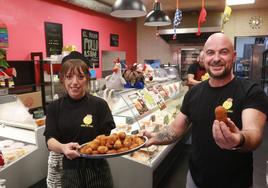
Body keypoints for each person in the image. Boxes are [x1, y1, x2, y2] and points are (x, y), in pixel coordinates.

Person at [142, 33, 268, 188]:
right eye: (210, 52)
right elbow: (175, 128)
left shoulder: (251, 92)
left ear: (234, 56)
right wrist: (155, 137)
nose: (216, 58)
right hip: (195, 180)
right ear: (204, 58)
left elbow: (253, 133)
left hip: (235, 182)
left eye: (223, 52)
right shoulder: (193, 92)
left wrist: (238, 139)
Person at [44, 51, 115, 188]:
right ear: (62, 79)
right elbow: (50, 140)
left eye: (80, 77)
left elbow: (107, 138)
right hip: (70, 171)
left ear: (87, 78)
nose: (74, 82)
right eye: (69, 77)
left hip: (98, 170)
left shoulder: (99, 105)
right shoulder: (54, 108)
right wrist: (63, 148)